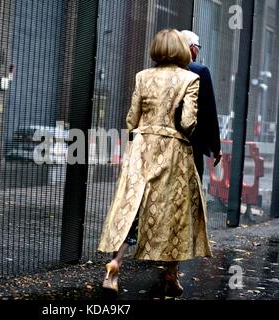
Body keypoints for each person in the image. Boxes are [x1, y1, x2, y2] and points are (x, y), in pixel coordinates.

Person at [98, 29, 212, 297]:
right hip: (173, 151)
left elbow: (131, 118)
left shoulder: (142, 77)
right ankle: (171, 275)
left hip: (141, 148)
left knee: (131, 206)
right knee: (175, 211)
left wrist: (140, 138)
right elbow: (187, 123)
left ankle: (114, 265)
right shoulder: (190, 79)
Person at [181, 30, 222, 180]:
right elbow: (208, 113)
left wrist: (132, 141)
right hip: (191, 145)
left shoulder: (153, 72)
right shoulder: (199, 71)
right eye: (198, 47)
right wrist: (216, 147)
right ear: (192, 48)